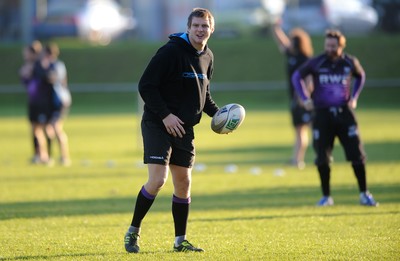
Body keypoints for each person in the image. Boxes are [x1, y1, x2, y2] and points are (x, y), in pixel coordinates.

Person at [124, 8, 219, 253]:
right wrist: (166, 116)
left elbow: (204, 96)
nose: (200, 30)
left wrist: (219, 115)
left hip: (184, 127)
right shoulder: (170, 52)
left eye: (204, 26)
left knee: (184, 183)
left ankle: (180, 241)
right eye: (196, 25)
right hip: (158, 122)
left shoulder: (208, 56)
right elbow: (146, 86)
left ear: (211, 29)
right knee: (157, 180)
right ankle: (133, 232)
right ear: (188, 27)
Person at [291, 29, 378, 206]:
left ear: (341, 46)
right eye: (327, 45)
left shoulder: (349, 62)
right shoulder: (317, 62)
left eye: (333, 46)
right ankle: (326, 197)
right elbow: (296, 77)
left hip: (345, 115)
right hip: (322, 116)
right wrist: (305, 98)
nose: (330, 49)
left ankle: (364, 193)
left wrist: (354, 98)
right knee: (322, 158)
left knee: (357, 156)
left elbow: (361, 76)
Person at [272, 23, 314, 169]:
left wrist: (304, 98)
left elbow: (309, 80)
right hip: (295, 99)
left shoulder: (304, 58)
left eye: (292, 41)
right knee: (299, 130)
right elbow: (282, 42)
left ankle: (321, 156)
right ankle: (297, 160)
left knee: (311, 129)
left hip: (303, 100)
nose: (289, 43)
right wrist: (276, 27)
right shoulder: (292, 55)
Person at [19, 40, 50, 164]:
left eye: (26, 53)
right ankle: (38, 154)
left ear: (33, 53)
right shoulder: (27, 66)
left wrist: (31, 71)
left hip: (42, 101)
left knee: (44, 129)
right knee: (34, 129)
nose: (25, 55)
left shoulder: (39, 65)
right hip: (33, 101)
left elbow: (45, 79)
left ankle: (46, 155)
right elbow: (25, 82)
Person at [42, 43, 71, 166]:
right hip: (55, 101)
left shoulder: (55, 65)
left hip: (60, 100)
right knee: (48, 128)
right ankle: (48, 156)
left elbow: (54, 79)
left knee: (56, 128)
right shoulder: (57, 65)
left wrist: (45, 69)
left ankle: (65, 157)